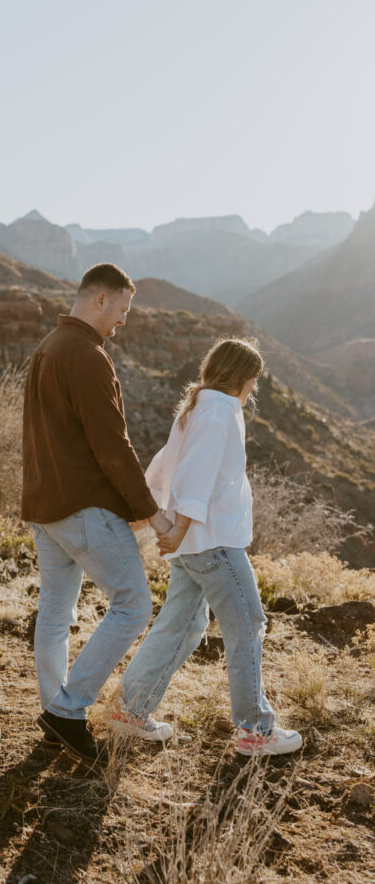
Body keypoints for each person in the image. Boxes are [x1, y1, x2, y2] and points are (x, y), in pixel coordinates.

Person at [109, 338, 303, 756]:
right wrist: (176, 528)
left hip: (195, 545)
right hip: (212, 541)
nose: (254, 389)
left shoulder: (198, 406)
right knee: (248, 624)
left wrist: (146, 510)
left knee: (182, 624)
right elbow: (195, 474)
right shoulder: (218, 411)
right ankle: (256, 730)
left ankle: (130, 710)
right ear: (242, 377)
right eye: (254, 381)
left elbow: (165, 462)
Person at [22, 263, 173, 766]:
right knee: (133, 605)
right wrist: (151, 513)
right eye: (124, 310)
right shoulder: (87, 355)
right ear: (101, 299)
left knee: (56, 614)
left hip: (46, 507)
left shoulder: (46, 349)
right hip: (83, 506)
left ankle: (54, 714)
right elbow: (113, 446)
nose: (124, 321)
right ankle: (67, 712)